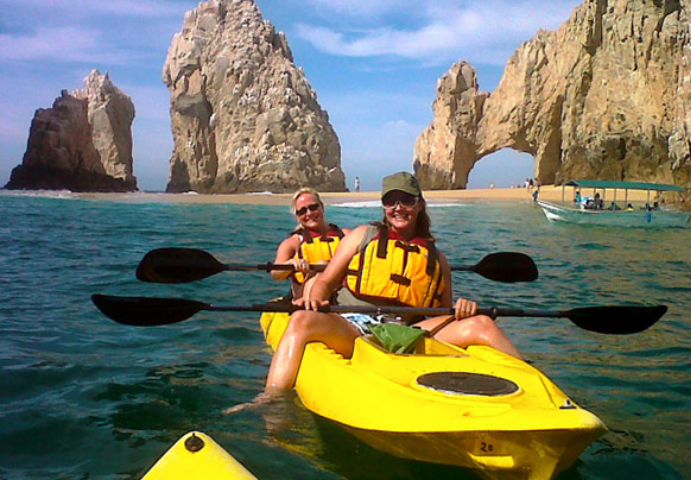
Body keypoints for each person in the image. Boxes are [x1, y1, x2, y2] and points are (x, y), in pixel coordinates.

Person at [262, 172, 523, 396]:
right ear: (384, 206)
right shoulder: (362, 237)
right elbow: (326, 281)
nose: (398, 207)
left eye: (407, 200)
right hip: (354, 326)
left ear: (420, 204)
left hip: (408, 331)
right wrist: (315, 299)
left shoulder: (438, 258)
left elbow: (443, 314)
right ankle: (271, 399)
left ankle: (535, 386)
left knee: (482, 324)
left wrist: (463, 310)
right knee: (301, 320)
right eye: (390, 201)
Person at [270, 188, 350, 303]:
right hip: (304, 299)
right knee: (321, 265)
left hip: (340, 300)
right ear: (297, 217)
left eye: (313, 207)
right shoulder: (293, 243)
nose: (309, 213)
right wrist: (290, 264)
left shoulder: (345, 235)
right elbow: (276, 273)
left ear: (322, 207)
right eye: (302, 211)